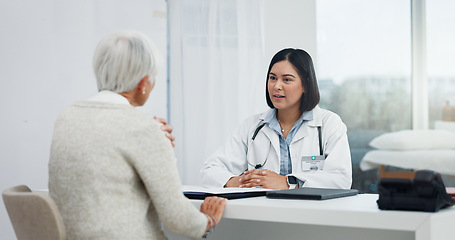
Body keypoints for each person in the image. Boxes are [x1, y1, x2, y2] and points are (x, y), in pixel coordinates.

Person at [49, 31, 226, 240]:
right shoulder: (142, 129)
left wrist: (150, 134)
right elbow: (178, 219)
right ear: (143, 84)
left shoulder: (67, 116)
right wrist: (208, 220)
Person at [201, 48, 352, 190]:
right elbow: (210, 170)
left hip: (312, 215)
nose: (276, 86)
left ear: (306, 84)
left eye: (286, 80)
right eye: (272, 78)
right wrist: (235, 181)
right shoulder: (252, 126)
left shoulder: (329, 124)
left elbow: (341, 179)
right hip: (263, 214)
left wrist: (288, 183)